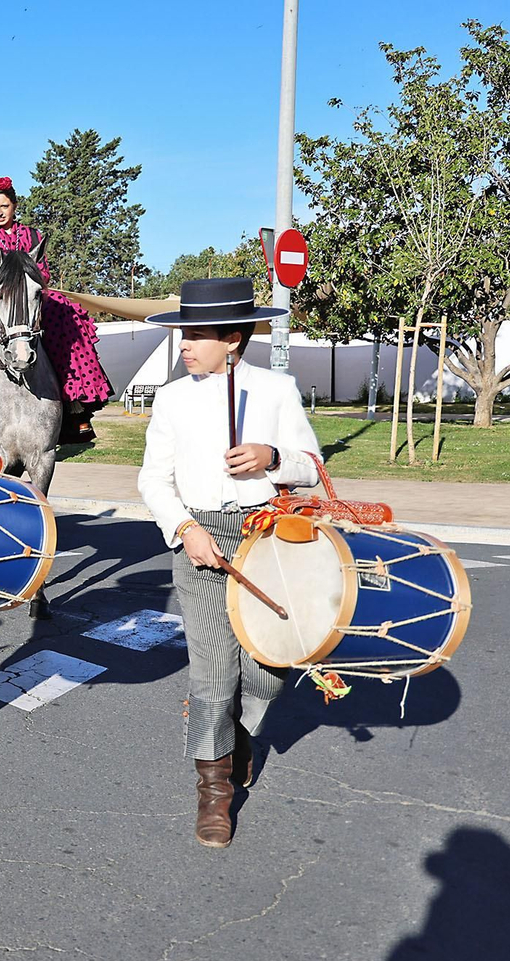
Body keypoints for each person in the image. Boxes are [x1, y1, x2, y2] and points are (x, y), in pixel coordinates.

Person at [138, 278, 322, 849]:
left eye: (196, 334)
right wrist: (185, 528)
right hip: (199, 539)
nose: (184, 344)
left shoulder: (275, 390)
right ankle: (213, 790)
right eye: (182, 333)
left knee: (267, 668)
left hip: (266, 537)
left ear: (234, 339)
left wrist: (274, 458)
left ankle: (240, 735)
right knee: (213, 671)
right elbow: (152, 478)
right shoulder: (171, 398)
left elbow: (311, 468)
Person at [0, 177, 112, 442]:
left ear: (14, 205)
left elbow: (43, 274)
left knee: (66, 321)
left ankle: (75, 410)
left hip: (32, 307)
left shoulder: (33, 236)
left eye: (4, 206)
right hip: (1, 311)